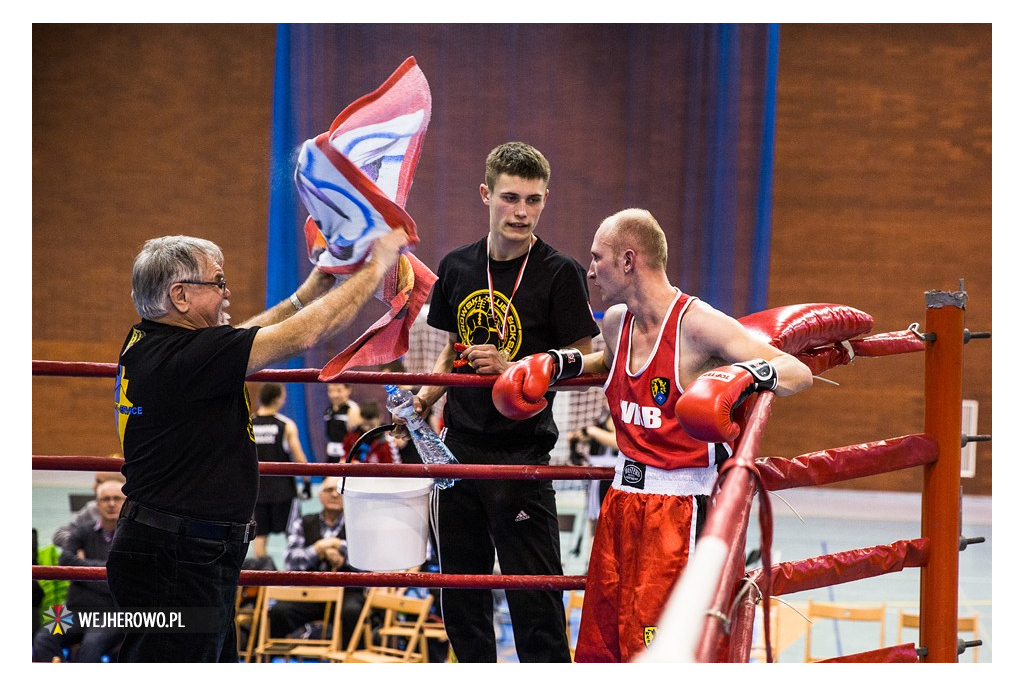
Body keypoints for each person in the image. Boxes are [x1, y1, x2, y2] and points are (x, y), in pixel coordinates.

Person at [492, 208, 813, 662]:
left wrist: (737, 378)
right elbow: (607, 360)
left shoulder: (698, 325)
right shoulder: (616, 322)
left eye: (597, 257)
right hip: (622, 501)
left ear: (628, 260)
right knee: (605, 642)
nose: (589, 270)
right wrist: (556, 364)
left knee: (663, 648)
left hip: (680, 511)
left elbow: (796, 372)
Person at [108, 229, 408, 663]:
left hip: (180, 551)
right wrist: (376, 264)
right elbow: (308, 333)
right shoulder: (188, 358)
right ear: (180, 296)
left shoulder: (155, 344)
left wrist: (319, 282)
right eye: (217, 282)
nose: (227, 292)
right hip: (179, 558)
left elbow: (251, 333)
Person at [394, 142, 600, 663]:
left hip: (522, 455)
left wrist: (515, 371)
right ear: (486, 195)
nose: (522, 211)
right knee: (461, 598)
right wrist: (422, 399)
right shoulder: (458, 267)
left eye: (534, 200)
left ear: (545, 199)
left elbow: (584, 357)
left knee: (535, 600)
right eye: (510, 197)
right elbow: (451, 348)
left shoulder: (560, 272)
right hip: (458, 452)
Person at [33, 480, 126, 662]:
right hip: (74, 609)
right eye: (105, 499)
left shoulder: (132, 538)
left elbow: (127, 577)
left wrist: (83, 570)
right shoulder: (82, 531)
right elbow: (65, 561)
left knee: (90, 647)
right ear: (97, 504)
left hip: (113, 614)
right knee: (42, 638)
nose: (111, 503)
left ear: (126, 503)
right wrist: (107, 574)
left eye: (117, 498)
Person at [267, 477, 366, 647]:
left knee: (353, 612)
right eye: (329, 490)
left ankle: (349, 659)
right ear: (320, 495)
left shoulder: (359, 525)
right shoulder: (302, 523)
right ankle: (272, 659)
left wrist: (340, 550)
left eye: (340, 491)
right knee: (278, 612)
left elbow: (366, 561)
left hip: (346, 593)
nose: (334, 495)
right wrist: (319, 549)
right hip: (309, 592)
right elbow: (290, 561)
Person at [251, 382, 311, 560]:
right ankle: (293, 580)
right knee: (293, 536)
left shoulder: (249, 424)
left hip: (257, 492)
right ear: (278, 399)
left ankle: (263, 583)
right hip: (284, 492)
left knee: (260, 538)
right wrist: (307, 484)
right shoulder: (286, 425)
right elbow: (300, 460)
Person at [52, 461, 125, 549]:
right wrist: (80, 545)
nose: (93, 487)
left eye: (99, 481)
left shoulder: (137, 510)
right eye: (106, 499)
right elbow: (60, 535)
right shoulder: (93, 509)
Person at [323, 383, 360, 463]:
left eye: (339, 391)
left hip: (348, 458)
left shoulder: (353, 410)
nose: (334, 395)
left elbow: (355, 439)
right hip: (332, 458)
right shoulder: (328, 411)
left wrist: (349, 458)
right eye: (330, 391)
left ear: (348, 390)